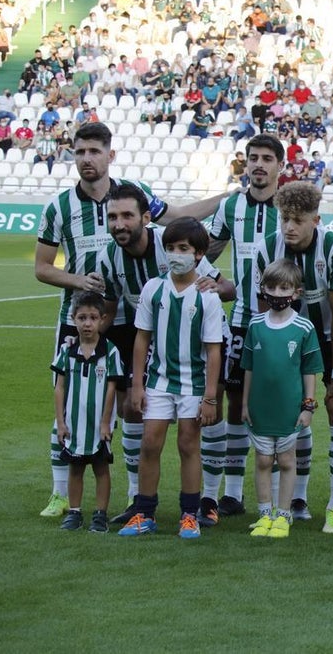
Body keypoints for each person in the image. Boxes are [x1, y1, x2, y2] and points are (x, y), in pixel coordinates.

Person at [34, 121, 221, 518]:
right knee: (79, 400)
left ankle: (189, 499)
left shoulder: (141, 202)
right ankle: (65, 494)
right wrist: (84, 301)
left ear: (110, 155)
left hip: (150, 324)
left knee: (161, 414)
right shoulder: (60, 208)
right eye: (80, 152)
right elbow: (42, 268)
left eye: (94, 151)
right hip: (94, 318)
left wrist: (226, 199)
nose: (87, 158)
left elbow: (180, 219)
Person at [99, 184, 232, 525]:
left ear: (145, 218)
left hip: (200, 352)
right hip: (158, 351)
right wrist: (90, 343)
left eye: (127, 215)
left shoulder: (174, 244)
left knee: (200, 430)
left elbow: (226, 289)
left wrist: (215, 286)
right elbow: (117, 316)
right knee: (145, 431)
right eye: (112, 217)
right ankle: (141, 504)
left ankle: (205, 501)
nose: (119, 224)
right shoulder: (115, 261)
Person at [252, 182, 333, 532]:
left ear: (316, 219)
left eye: (297, 220)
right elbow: (264, 316)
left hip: (331, 336)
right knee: (291, 412)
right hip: (288, 340)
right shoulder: (266, 249)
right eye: (285, 218)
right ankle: (296, 499)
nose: (289, 227)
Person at [119, 218, 224, 539]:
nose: (175, 254)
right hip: (159, 381)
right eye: (170, 248)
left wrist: (210, 397)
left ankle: (189, 514)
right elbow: (142, 339)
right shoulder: (153, 288)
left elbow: (214, 350)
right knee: (150, 443)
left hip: (193, 384)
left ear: (198, 254)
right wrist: (137, 384)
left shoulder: (207, 296)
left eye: (183, 248)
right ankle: (144, 513)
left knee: (188, 445)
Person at [206, 134, 284, 522]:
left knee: (286, 402)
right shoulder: (230, 206)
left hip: (283, 322)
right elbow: (205, 251)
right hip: (241, 321)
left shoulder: (289, 207)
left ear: (280, 166)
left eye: (267, 158)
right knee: (236, 404)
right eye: (253, 157)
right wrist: (219, 282)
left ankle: (291, 498)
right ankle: (232, 493)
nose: (258, 164)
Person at [241, 259, 324, 539]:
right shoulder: (255, 324)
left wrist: (308, 406)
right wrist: (245, 404)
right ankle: (265, 515)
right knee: (263, 461)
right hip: (260, 409)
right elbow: (249, 368)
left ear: (296, 292)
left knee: (287, 461)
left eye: (284, 288)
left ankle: (284, 515)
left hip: (289, 409)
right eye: (272, 287)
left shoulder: (304, 327)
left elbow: (310, 371)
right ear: (263, 288)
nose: (277, 293)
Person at [52, 291, 120, 533]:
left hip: (98, 425)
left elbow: (111, 388)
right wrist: (61, 423)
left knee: (101, 469)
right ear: (73, 319)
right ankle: (74, 512)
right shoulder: (67, 351)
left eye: (92, 318)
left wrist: (105, 423)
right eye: (82, 318)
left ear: (102, 319)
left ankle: (100, 515)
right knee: (76, 468)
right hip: (74, 423)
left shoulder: (110, 351)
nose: (87, 323)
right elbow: (59, 387)